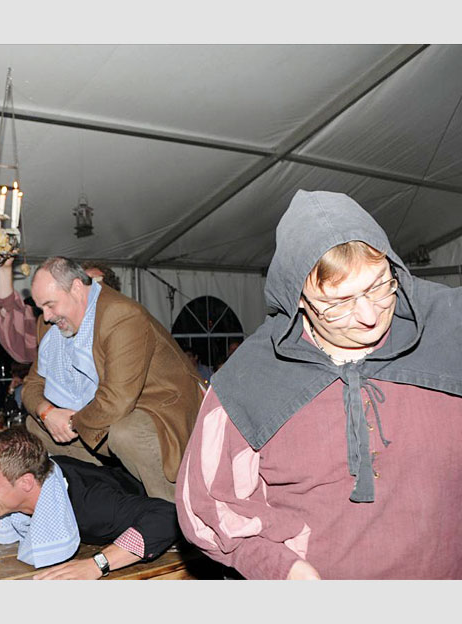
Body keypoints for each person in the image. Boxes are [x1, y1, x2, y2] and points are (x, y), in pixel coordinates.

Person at [176, 189, 462, 580]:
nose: (369, 315)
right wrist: (282, 568)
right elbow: (208, 504)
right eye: (339, 303)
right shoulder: (248, 381)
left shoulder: (448, 326)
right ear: (298, 299)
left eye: (379, 286)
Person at [22, 257, 203, 502]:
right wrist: (48, 413)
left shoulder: (122, 314)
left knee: (126, 432)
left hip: (159, 409)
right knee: (35, 426)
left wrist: (69, 422)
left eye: (50, 305)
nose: (46, 316)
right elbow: (31, 385)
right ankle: (106, 498)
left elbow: (117, 400)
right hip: (98, 416)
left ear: (77, 288)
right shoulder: (51, 324)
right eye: (40, 307)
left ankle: (173, 511)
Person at [0, 427, 179, 579]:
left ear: (26, 482)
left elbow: (168, 516)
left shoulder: (93, 506)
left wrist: (97, 564)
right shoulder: (41, 473)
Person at [0, 259, 122, 364]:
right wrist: (5, 268)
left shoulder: (119, 329)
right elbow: (11, 313)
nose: (46, 317)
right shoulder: (54, 329)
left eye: (90, 284)